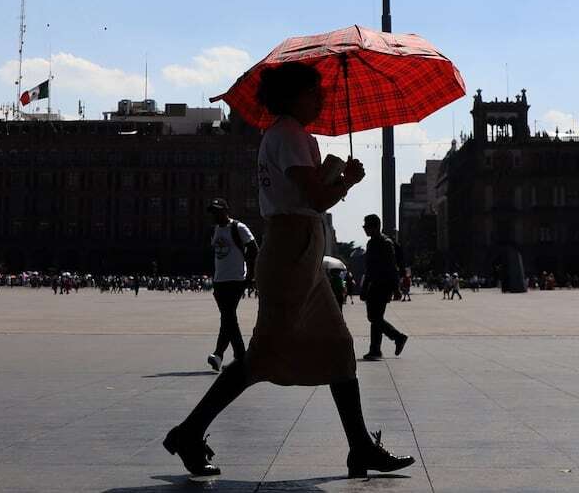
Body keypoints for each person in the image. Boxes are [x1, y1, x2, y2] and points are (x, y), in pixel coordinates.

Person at [163, 61, 413, 478]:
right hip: (291, 250)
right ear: (293, 95)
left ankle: (361, 447)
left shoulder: (283, 135)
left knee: (338, 347)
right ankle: (188, 432)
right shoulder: (291, 135)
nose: (321, 98)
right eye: (314, 92)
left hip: (299, 250)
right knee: (260, 357)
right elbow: (315, 199)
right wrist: (346, 180)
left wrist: (332, 178)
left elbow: (306, 194)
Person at [206, 197, 257, 373]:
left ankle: (232, 355)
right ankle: (231, 356)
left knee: (228, 316)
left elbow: (253, 249)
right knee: (228, 318)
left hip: (236, 279)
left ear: (226, 211)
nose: (214, 215)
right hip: (220, 280)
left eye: (217, 211)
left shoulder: (238, 228)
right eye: (212, 212)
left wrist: (250, 274)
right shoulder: (215, 231)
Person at [361, 214, 408, 361]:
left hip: (384, 285)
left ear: (375, 226)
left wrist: (396, 288)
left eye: (366, 226)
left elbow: (392, 267)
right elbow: (369, 268)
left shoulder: (386, 243)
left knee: (374, 317)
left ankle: (397, 337)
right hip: (374, 284)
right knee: (375, 318)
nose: (364, 229)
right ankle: (375, 349)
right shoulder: (371, 243)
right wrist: (364, 287)